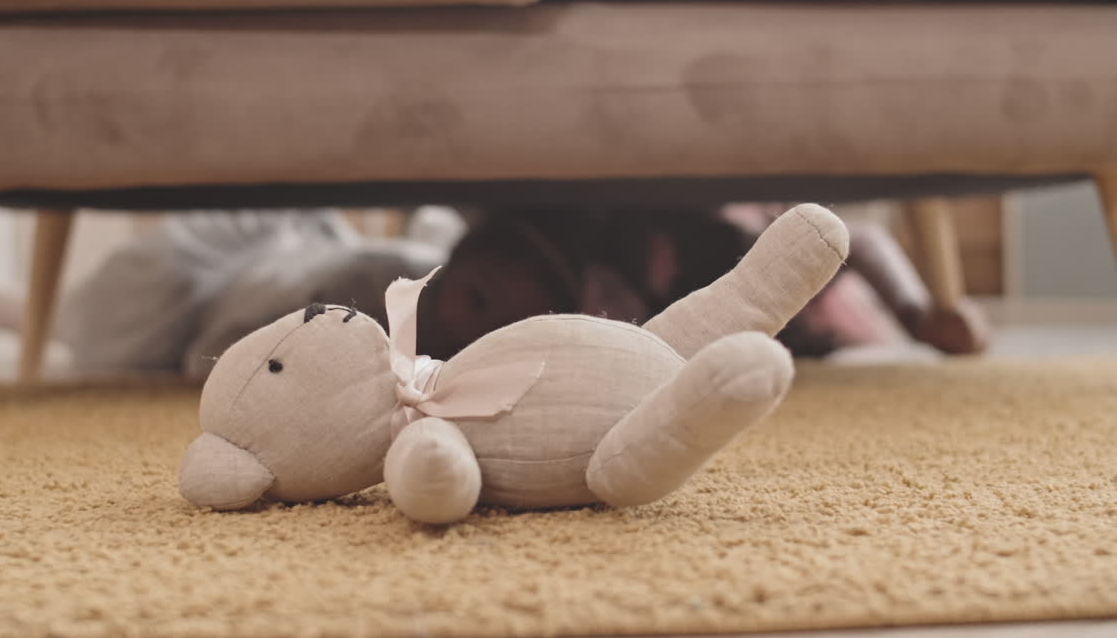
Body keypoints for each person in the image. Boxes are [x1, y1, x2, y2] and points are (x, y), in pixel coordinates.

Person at [0, 207, 450, 380]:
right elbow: (208, 359)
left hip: (266, 261)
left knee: (50, 314)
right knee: (58, 315)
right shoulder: (370, 281)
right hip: (239, 267)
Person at [415, 204, 990, 360]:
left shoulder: (678, 243)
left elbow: (848, 239)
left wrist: (917, 313)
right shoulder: (623, 339)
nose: (461, 318)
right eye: (475, 338)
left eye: (463, 294)